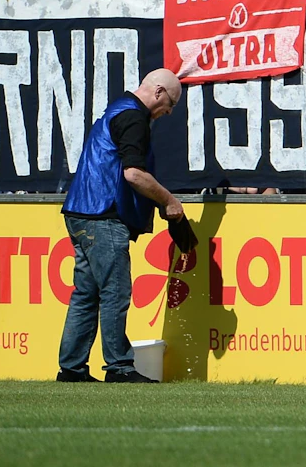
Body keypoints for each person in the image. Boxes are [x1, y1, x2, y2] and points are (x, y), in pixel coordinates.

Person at [57, 68, 185, 383]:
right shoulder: (133, 118)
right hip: (103, 213)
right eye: (170, 104)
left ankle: (72, 369)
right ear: (158, 92)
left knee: (86, 292)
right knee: (115, 290)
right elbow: (133, 174)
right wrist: (169, 200)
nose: (168, 113)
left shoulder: (116, 109)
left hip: (79, 210)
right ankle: (120, 366)